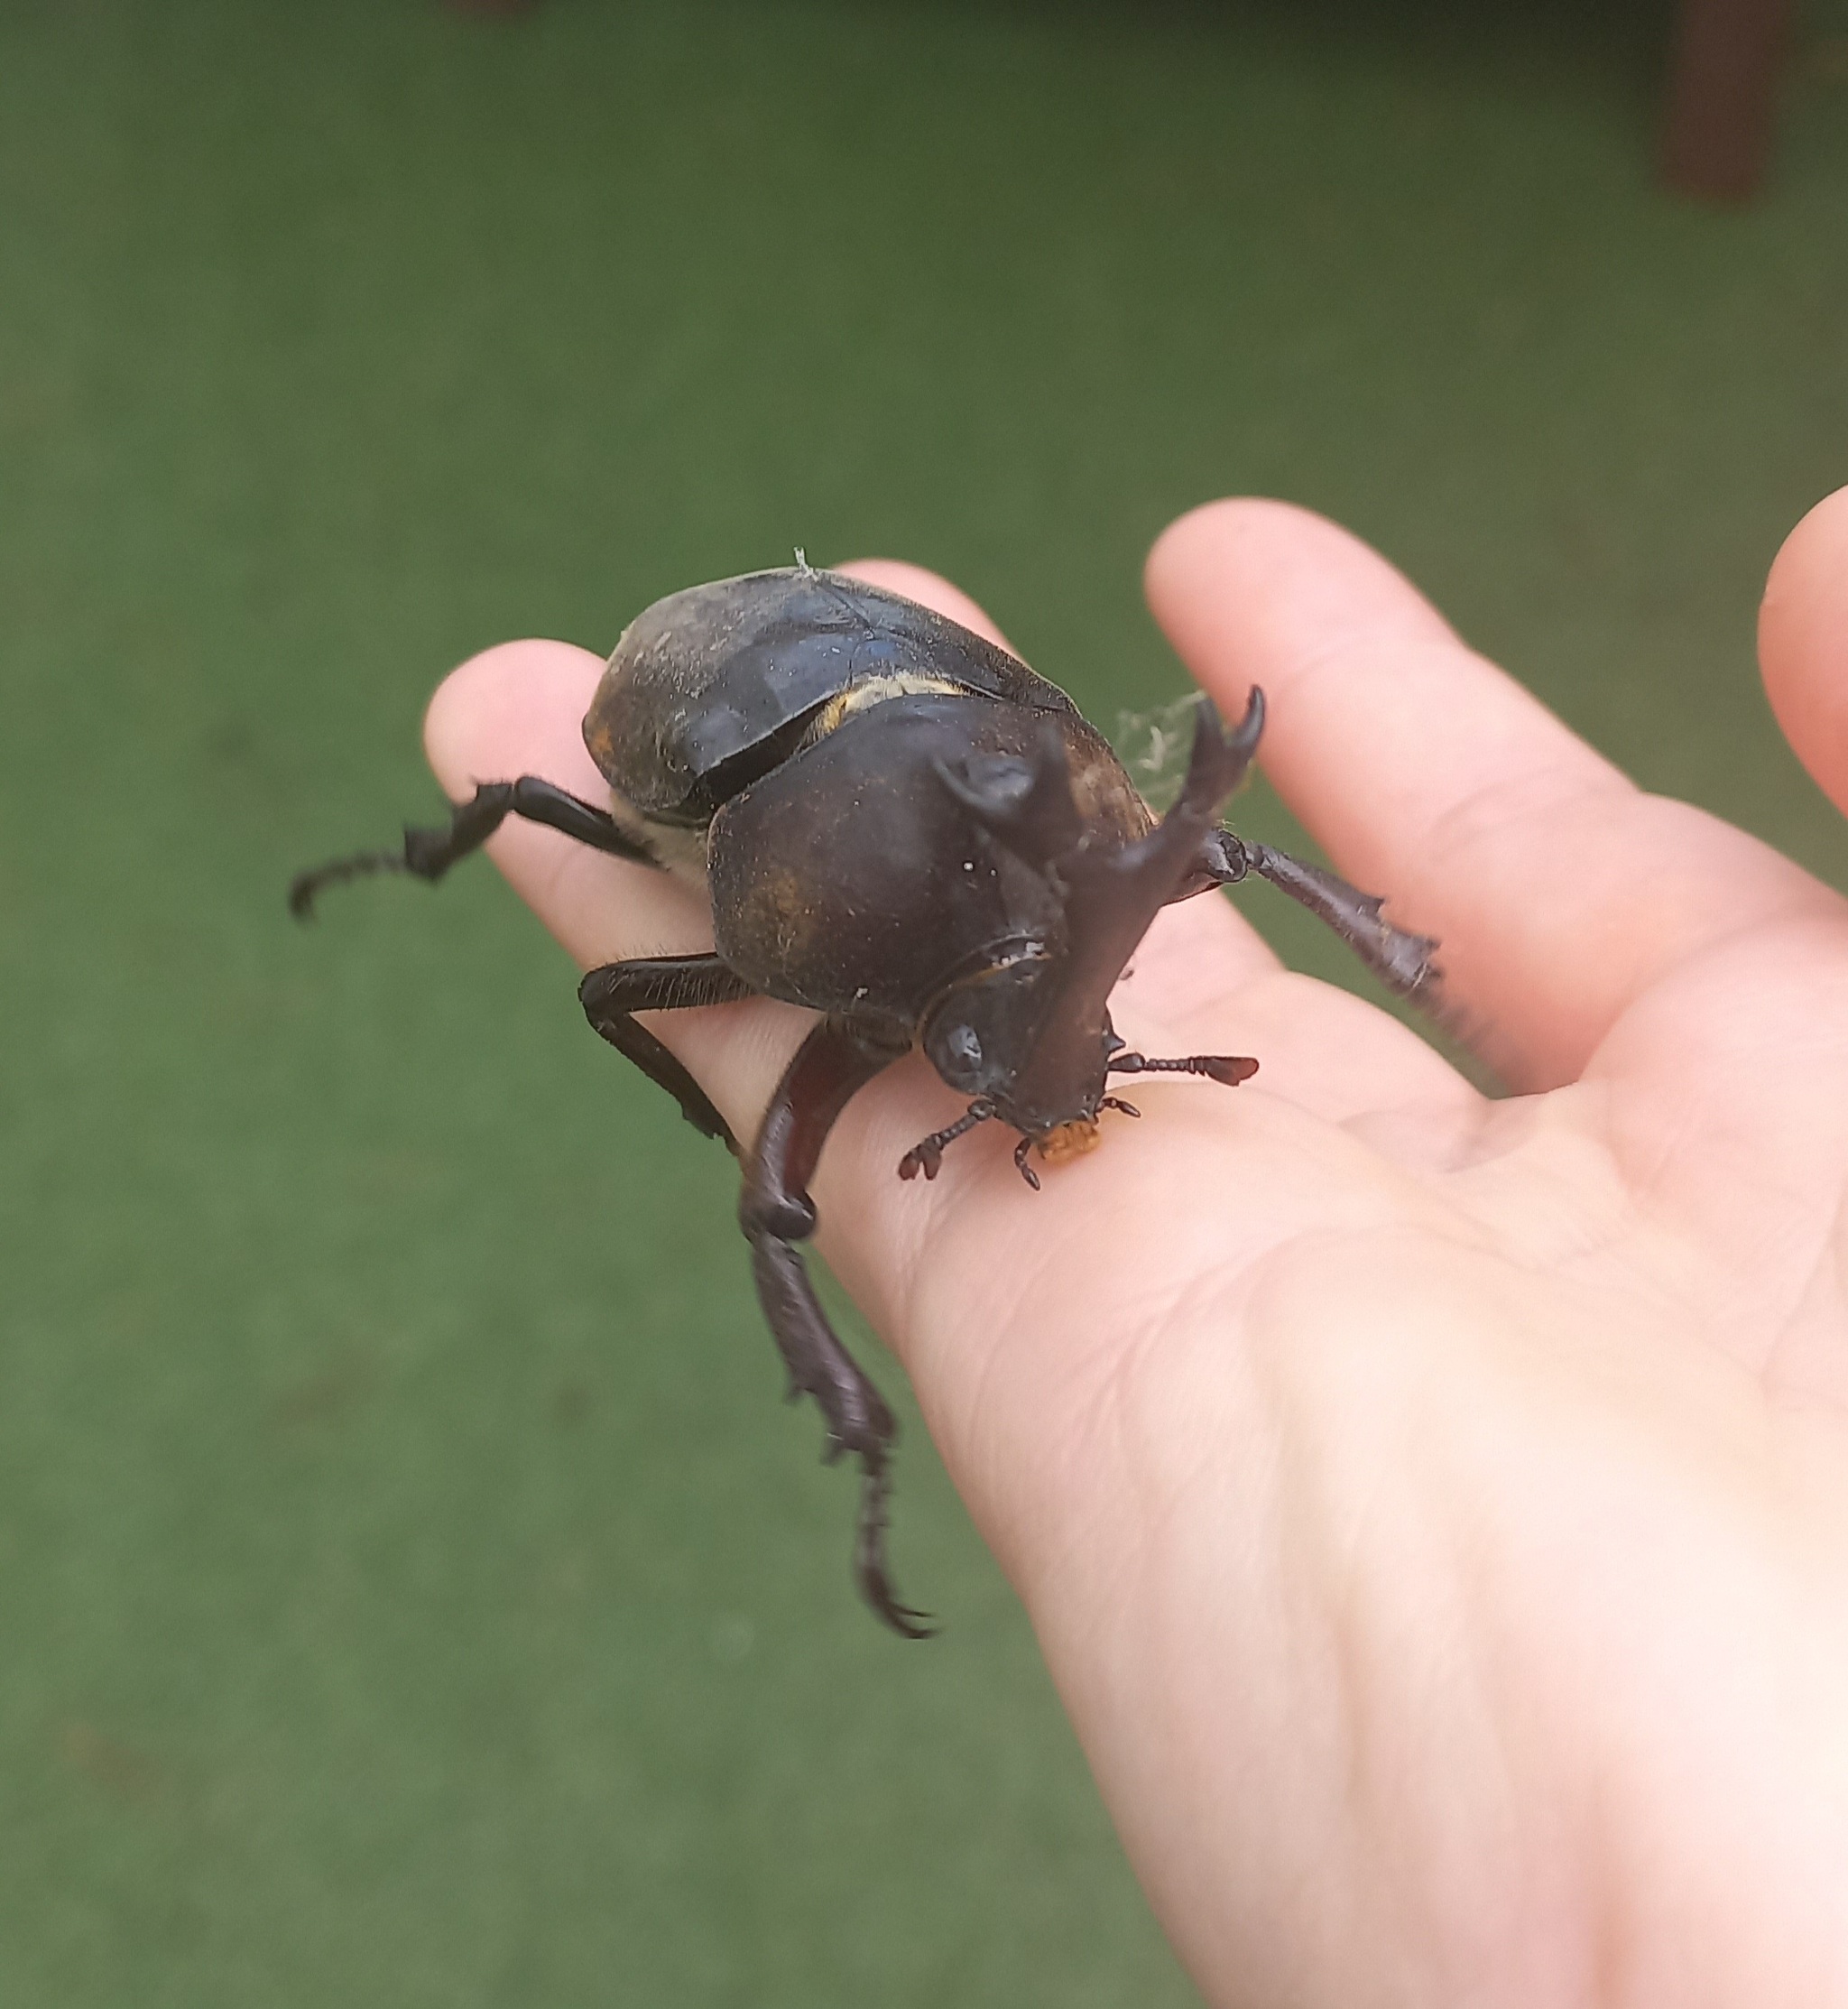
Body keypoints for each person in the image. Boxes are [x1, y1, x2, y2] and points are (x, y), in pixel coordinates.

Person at [425, 490, 1848, 2005]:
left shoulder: (1051, 812)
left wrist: (1419, 974)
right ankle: (857, 1432)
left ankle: (869, 1415)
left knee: (1176, 877)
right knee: (698, 1080)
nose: (1064, 1053)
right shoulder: (789, 906)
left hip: (899, 714)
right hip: (703, 705)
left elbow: (1189, 848)